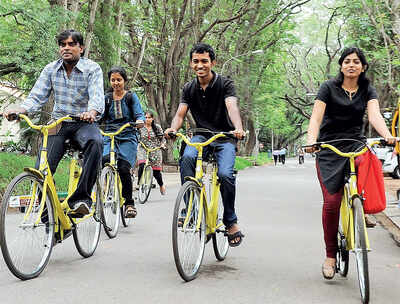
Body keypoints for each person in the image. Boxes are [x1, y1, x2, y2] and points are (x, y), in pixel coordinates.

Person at [305, 47, 395, 280]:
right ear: (341, 66)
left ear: (363, 67)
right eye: (347, 61)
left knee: (369, 160)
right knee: (332, 202)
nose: (351, 65)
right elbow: (316, 117)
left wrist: (387, 134)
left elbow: (374, 116)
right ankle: (330, 256)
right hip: (329, 146)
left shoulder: (367, 88)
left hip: (355, 142)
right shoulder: (328, 88)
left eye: (356, 61)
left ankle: (360, 207)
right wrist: (311, 141)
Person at [4, 29, 104, 216]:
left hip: (84, 122)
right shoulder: (50, 69)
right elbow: (36, 97)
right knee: (42, 166)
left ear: (81, 48)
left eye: (71, 44)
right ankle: (48, 213)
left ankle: (81, 199)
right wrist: (20, 110)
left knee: (96, 142)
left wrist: (91, 112)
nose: (66, 48)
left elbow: (97, 96)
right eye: (62, 44)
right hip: (59, 123)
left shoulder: (92, 68)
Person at [165, 43, 246, 247]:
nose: (200, 65)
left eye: (204, 61)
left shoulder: (225, 84)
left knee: (226, 175)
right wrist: (173, 129)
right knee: (187, 159)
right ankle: (191, 210)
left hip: (225, 136)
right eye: (196, 61)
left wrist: (238, 127)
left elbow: (232, 107)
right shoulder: (188, 88)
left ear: (212, 62)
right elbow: (180, 114)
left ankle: (230, 221)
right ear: (191, 63)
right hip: (201, 135)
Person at [101, 66, 145, 218]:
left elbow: (139, 114)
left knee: (124, 168)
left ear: (125, 81)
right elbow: (101, 115)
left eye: (119, 80)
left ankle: (129, 203)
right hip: (108, 135)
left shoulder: (131, 97)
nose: (116, 83)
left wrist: (139, 120)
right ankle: (106, 186)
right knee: (104, 160)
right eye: (113, 80)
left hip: (127, 135)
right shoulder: (106, 98)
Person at [137, 111, 167, 195]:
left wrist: (162, 144)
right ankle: (139, 183)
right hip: (143, 148)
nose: (147, 119)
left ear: (152, 118)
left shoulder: (157, 127)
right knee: (142, 165)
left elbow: (163, 138)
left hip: (155, 150)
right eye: (145, 117)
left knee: (156, 172)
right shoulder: (140, 127)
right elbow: (135, 136)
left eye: (149, 117)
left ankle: (161, 185)